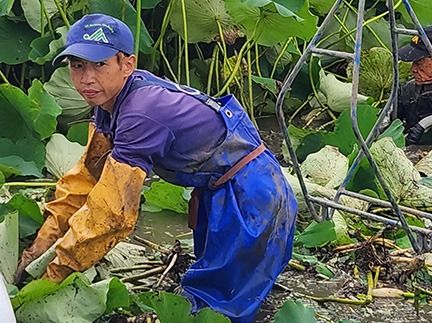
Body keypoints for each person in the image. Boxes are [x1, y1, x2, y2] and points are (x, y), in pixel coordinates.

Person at [15, 13, 297, 323]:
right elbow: (85, 182)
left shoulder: (141, 113)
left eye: (100, 65)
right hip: (218, 190)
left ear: (128, 64)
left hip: (253, 195)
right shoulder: (109, 106)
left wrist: (54, 274)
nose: (87, 79)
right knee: (211, 292)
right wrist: (37, 249)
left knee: (216, 310)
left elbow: (111, 215)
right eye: (77, 66)